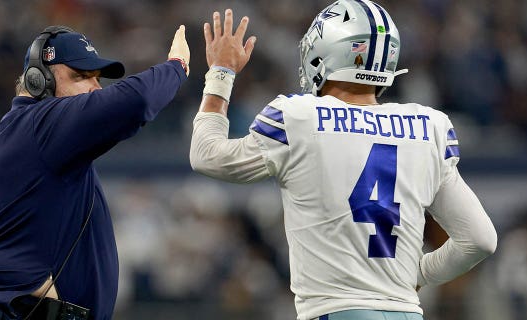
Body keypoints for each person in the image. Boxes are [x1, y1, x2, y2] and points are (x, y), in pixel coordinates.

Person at [190, 4, 497, 320]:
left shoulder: (298, 116)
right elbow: (480, 239)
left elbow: (207, 155)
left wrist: (221, 72)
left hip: (335, 311)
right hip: (407, 312)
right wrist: (418, 275)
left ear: (326, 52)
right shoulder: (428, 125)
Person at [0, 24, 189, 320]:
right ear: (39, 82)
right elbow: (136, 100)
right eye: (80, 76)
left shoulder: (40, 140)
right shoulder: (38, 124)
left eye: (97, 79)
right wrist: (178, 65)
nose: (95, 88)